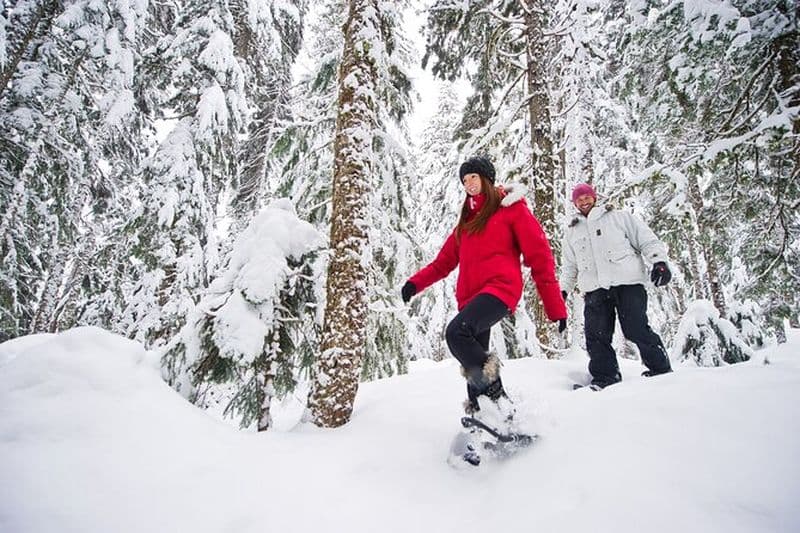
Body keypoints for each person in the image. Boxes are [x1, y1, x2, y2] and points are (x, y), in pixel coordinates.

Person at [401, 156, 567, 426]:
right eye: (464, 180)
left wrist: (555, 307)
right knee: (471, 357)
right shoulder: (465, 224)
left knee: (456, 333)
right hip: (470, 298)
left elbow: (540, 257)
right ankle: (484, 420)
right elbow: (442, 264)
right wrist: (414, 284)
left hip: (500, 290)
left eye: (473, 177)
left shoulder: (511, 210)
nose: (469, 184)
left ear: (486, 178)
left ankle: (499, 397)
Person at [561, 182, 673, 389]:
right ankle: (605, 378)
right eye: (579, 199)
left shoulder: (619, 218)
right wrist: (563, 290)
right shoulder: (573, 232)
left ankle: (661, 370)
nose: (584, 201)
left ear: (594, 197)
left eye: (587, 197)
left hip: (627, 283)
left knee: (636, 328)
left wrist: (659, 262)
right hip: (594, 289)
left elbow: (646, 240)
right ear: (574, 203)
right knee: (596, 335)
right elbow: (569, 266)